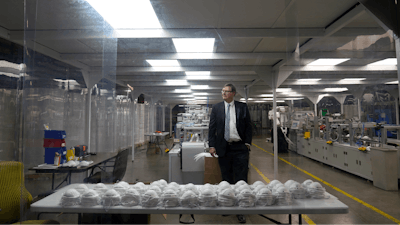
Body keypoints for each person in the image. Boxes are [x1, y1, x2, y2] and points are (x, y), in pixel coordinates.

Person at [208, 83, 252, 223]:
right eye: (222, 91)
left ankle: (241, 209)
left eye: (226, 91)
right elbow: (212, 128)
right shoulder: (217, 108)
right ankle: (228, 205)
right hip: (223, 147)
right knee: (226, 179)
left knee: (241, 179)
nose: (223, 94)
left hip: (239, 148)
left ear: (233, 93)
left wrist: (247, 143)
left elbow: (248, 126)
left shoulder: (242, 107)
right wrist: (212, 145)